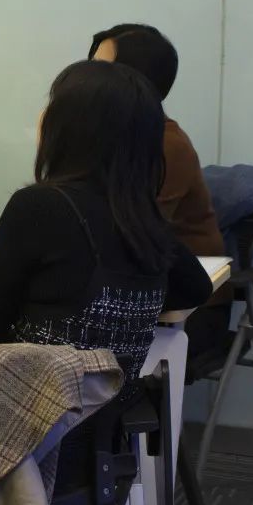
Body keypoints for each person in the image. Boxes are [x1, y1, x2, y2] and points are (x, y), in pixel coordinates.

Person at [0, 60, 212, 391]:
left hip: (30, 411)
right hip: (110, 414)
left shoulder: (38, 207)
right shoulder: (142, 218)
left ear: (72, 128)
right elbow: (197, 288)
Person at [88, 24, 229, 364]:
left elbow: (128, 239)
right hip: (118, 295)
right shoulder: (102, 140)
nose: (86, 81)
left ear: (136, 82)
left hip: (183, 308)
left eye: (100, 70)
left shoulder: (167, 145)